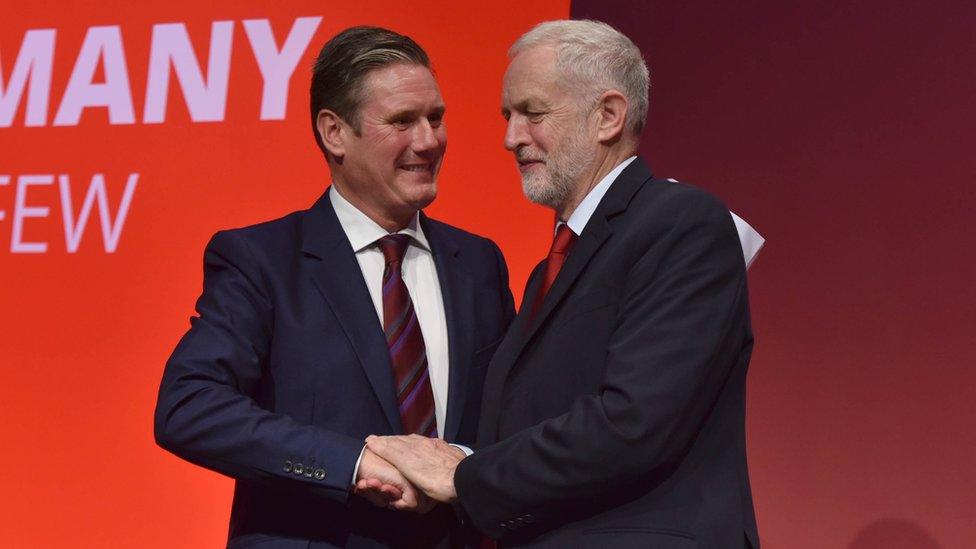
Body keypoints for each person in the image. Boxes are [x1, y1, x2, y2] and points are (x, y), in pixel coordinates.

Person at [366, 20, 762, 548]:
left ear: (608, 116)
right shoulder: (550, 271)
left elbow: (634, 422)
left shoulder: (681, 222)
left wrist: (463, 476)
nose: (510, 138)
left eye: (532, 113)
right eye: (508, 116)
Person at [154, 26, 515, 548]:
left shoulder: (479, 263)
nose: (429, 140)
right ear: (334, 133)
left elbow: (510, 419)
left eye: (435, 118)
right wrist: (355, 463)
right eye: (402, 121)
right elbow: (188, 407)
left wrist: (468, 465)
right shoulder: (264, 261)